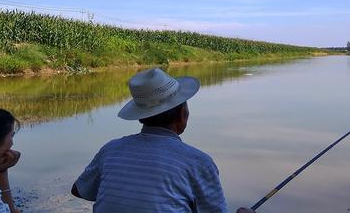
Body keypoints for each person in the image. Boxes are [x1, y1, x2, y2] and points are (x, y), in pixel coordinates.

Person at [72, 68, 255, 213]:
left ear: (141, 116)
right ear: (182, 113)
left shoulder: (111, 150)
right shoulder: (198, 162)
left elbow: (79, 190)